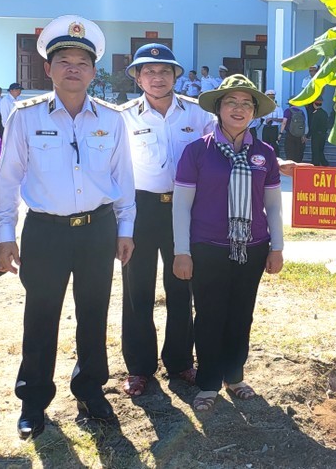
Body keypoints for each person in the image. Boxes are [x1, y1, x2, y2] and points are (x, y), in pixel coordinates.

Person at [0, 14, 136, 439]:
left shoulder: (111, 119)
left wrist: (125, 229)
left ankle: (91, 391)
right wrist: (4, 236)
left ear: (94, 71)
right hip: (45, 232)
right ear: (49, 69)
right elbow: (8, 179)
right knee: (40, 315)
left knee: (93, 313)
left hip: (97, 229)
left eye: (81, 62)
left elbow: (123, 179)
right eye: (64, 61)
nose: (73, 68)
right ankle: (34, 400)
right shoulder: (25, 115)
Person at [172, 74, 284, 412]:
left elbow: (274, 205)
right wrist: (182, 251)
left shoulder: (264, 153)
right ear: (219, 108)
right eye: (231, 102)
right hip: (207, 248)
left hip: (253, 248)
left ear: (254, 112)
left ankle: (234, 377)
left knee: (241, 314)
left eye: (246, 104)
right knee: (208, 315)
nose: (239, 109)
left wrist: (277, 246)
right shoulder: (197, 152)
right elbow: (181, 205)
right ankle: (207, 383)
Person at [120, 43, 215, 397]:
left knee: (182, 286)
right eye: (148, 72)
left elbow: (218, 156)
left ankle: (180, 362)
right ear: (137, 77)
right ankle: (139, 368)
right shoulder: (123, 116)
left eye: (164, 72)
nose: (156, 78)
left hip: (184, 209)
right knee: (137, 290)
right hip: (140, 210)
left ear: (176, 75)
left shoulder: (197, 115)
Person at [262, 89, 285, 156]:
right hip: (266, 128)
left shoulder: (278, 108)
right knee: (264, 145)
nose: (271, 99)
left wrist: (272, 119)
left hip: (273, 128)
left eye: (272, 97)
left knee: (275, 145)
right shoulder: (264, 107)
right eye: (269, 97)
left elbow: (281, 119)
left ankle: (276, 158)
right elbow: (262, 118)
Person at [308, 99, 329, 166]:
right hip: (323, 134)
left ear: (314, 104)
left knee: (315, 150)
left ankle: (316, 164)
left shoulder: (315, 114)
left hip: (316, 135)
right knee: (320, 150)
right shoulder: (325, 113)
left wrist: (308, 135)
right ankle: (324, 163)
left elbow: (313, 126)